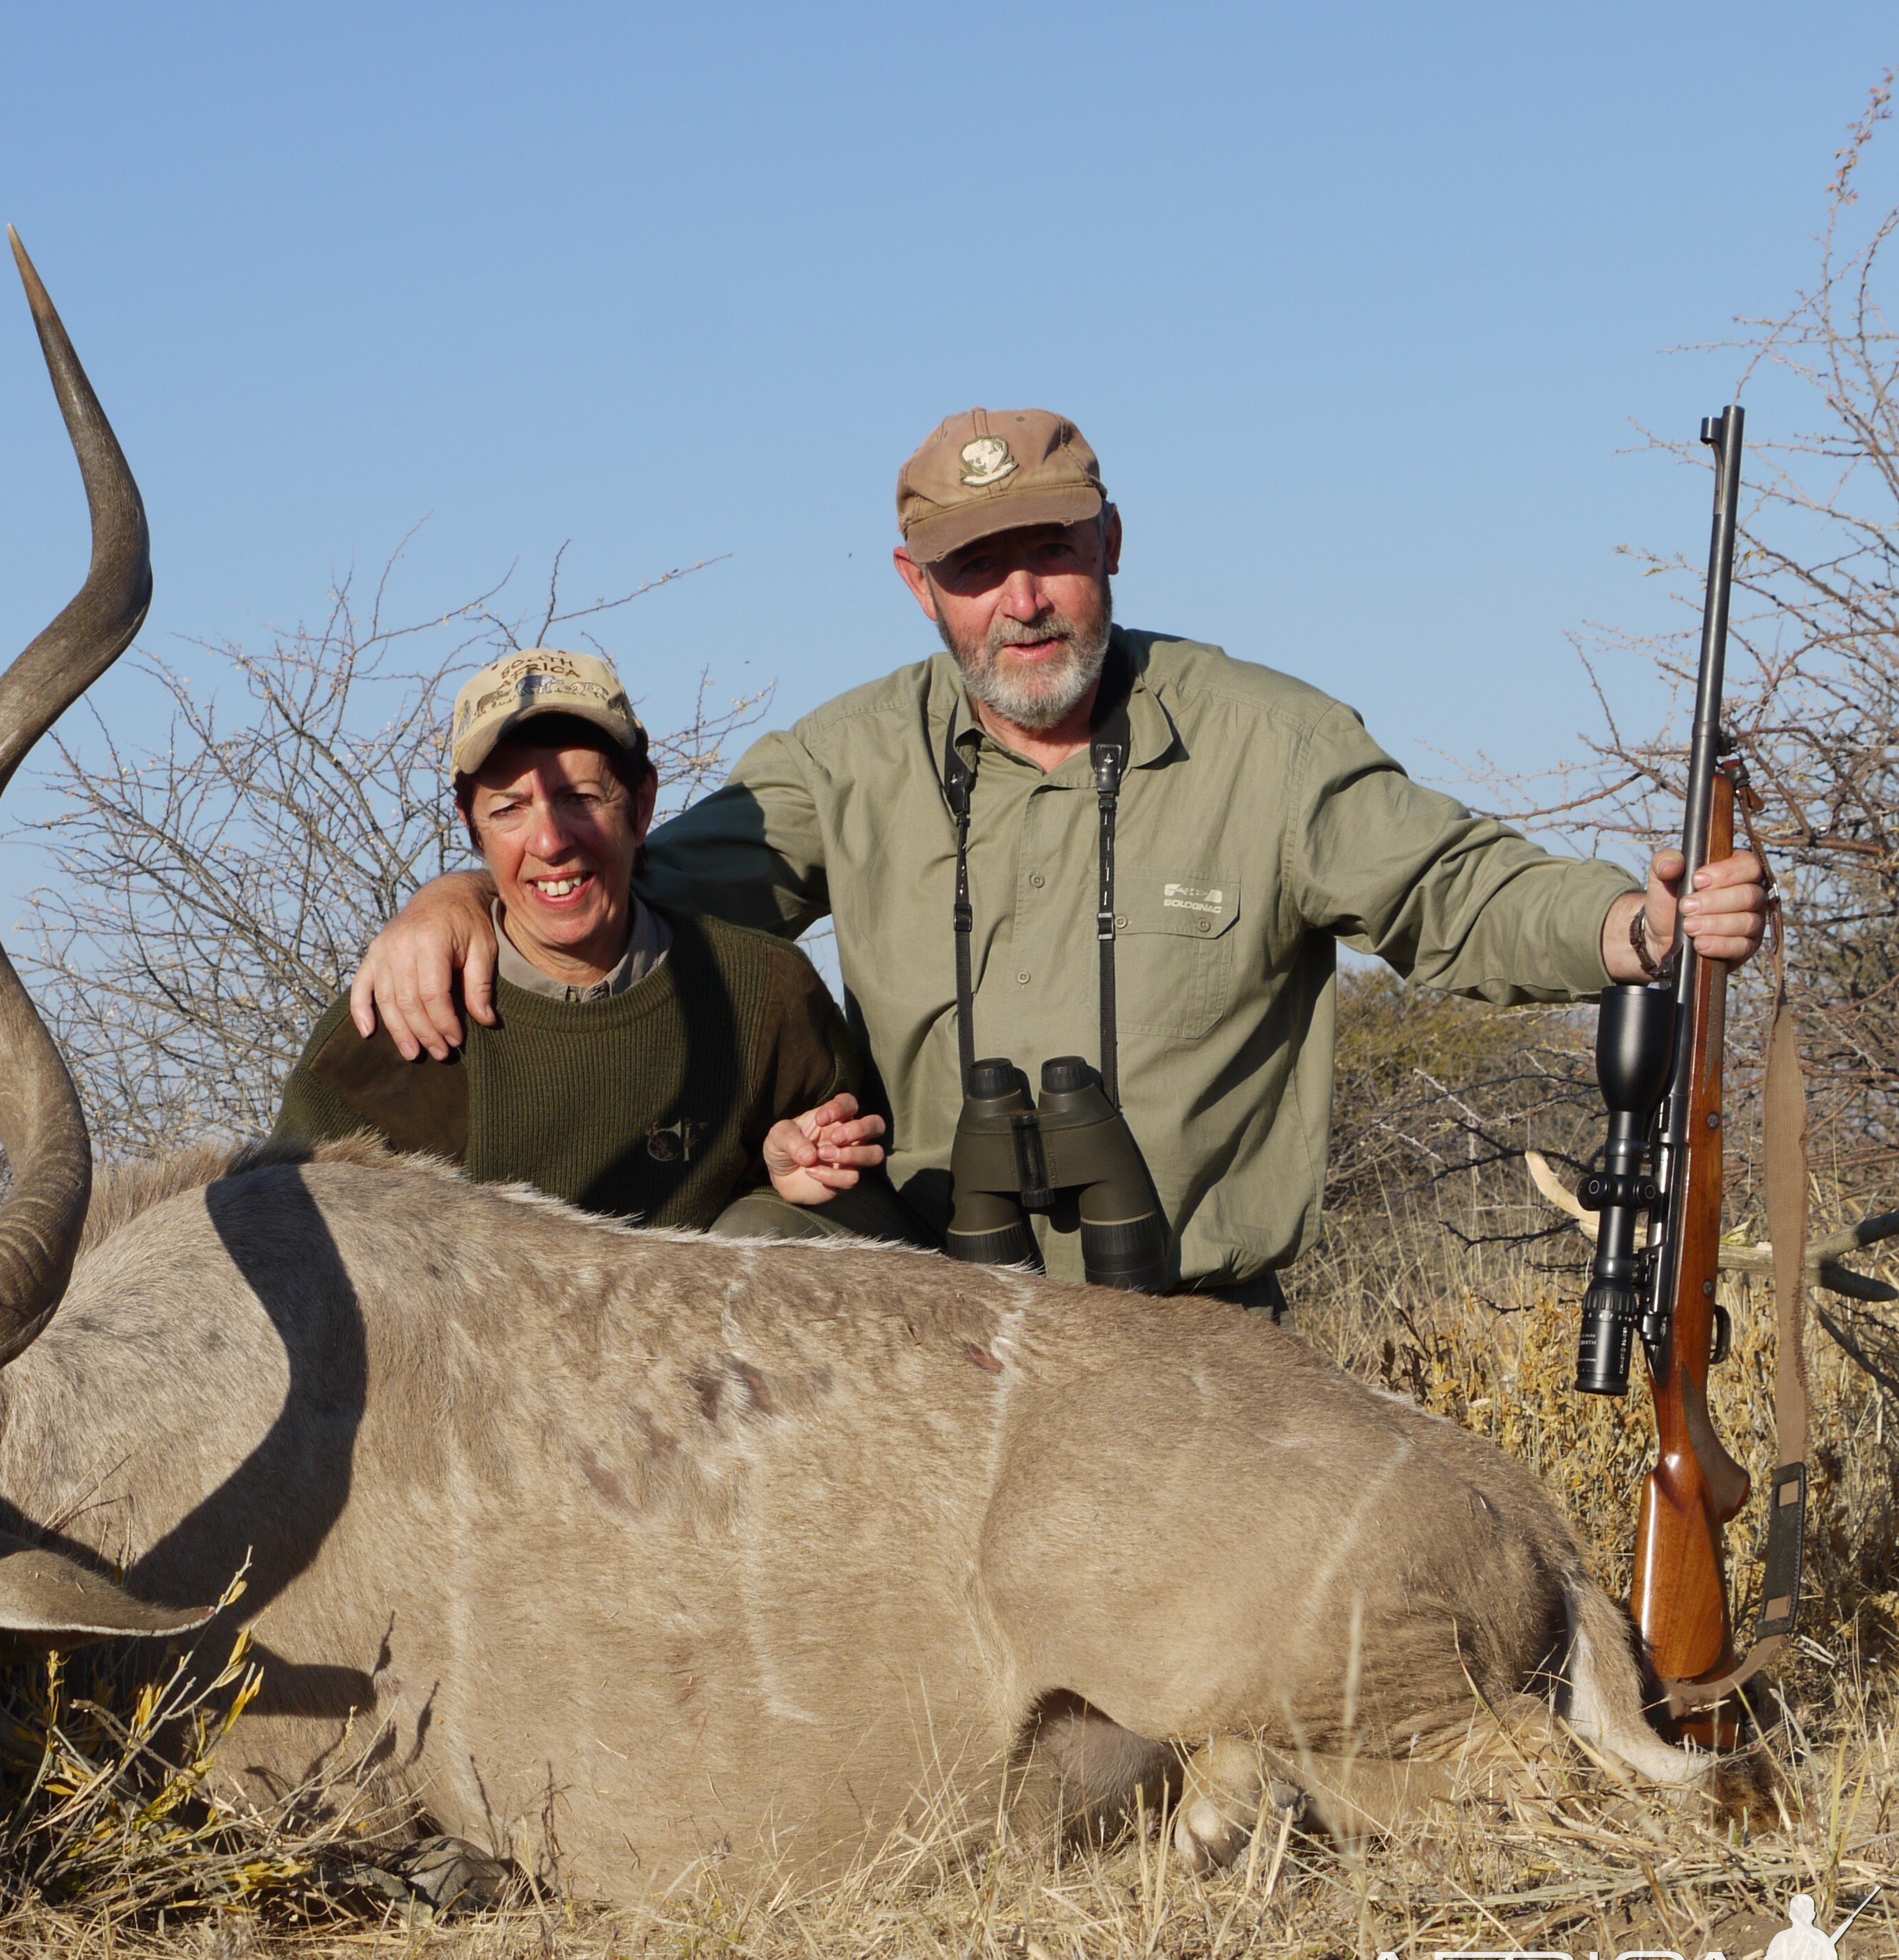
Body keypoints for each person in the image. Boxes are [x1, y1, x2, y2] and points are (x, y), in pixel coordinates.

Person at [346, 411, 1770, 1306]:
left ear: (1110, 542)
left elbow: (1449, 888)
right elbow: (613, 870)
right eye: (976, 570)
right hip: (941, 1327)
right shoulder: (843, 759)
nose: (1021, 600)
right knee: (761, 1251)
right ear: (918, 588)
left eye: (1052, 552)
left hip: (1192, 1329)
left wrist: (1632, 927)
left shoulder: (1261, 737)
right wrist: (460, 891)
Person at [273, 648, 904, 1234]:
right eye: (508, 809)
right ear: (470, 825)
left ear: (641, 806)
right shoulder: (402, 1026)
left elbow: (871, 1208)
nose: (550, 843)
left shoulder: (765, 992)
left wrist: (787, 1181)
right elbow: (285, 1250)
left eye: (580, 798)